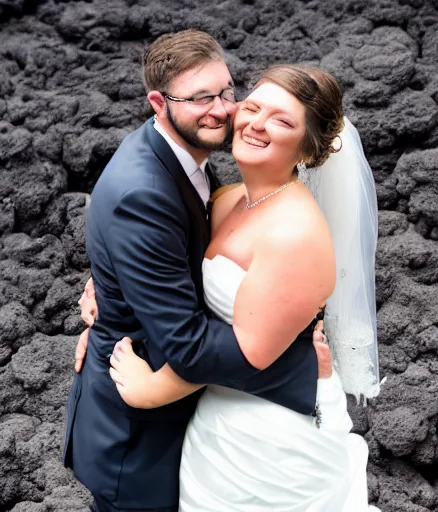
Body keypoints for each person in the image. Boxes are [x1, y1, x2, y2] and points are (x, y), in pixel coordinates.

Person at [79, 65, 382, 510]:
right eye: (253, 106)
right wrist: (110, 288)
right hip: (214, 414)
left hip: (267, 432)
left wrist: (155, 388)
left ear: (309, 148)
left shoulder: (294, 234)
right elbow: (170, 259)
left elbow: (249, 354)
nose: (257, 123)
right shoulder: (225, 199)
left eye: (281, 120)